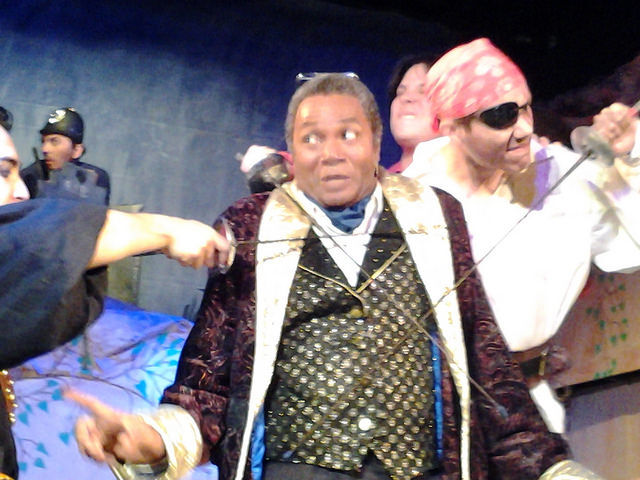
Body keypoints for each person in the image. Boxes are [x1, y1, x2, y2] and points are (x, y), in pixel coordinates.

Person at [68, 73, 604, 480]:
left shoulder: (436, 217)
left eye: (348, 134)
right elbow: (209, 383)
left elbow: (484, 361)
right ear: (292, 151)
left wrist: (550, 467)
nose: (330, 154)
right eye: (311, 139)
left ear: (375, 141)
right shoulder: (249, 226)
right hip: (297, 467)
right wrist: (150, 438)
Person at [403, 38, 640, 433]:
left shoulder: (562, 177)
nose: (525, 129)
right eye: (502, 116)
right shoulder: (411, 199)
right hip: (435, 416)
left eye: (526, 107)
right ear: (453, 125)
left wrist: (624, 161)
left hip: (529, 413)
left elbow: (630, 250)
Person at [0, 124, 231, 480]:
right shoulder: (35, 225)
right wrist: (168, 232)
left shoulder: (91, 180)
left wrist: (155, 440)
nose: (19, 190)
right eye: (3, 172)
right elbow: (37, 242)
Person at [20, 107, 111, 204]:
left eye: (54, 141)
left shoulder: (95, 179)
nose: (44, 149)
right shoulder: (30, 176)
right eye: (43, 141)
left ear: (77, 150)